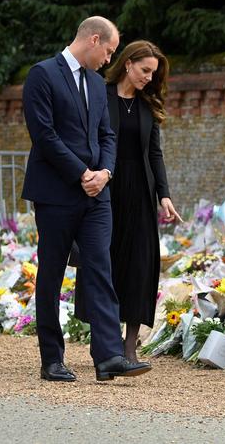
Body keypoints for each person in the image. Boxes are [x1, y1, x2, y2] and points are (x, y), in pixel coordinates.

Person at [22, 16, 151, 382]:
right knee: (51, 273)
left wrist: (105, 173)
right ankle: (52, 359)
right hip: (56, 193)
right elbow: (44, 136)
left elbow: (107, 135)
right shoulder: (42, 75)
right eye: (108, 51)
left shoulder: (96, 84)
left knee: (100, 269)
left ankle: (108, 356)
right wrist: (81, 174)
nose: (109, 60)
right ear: (94, 40)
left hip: (97, 194)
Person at [74, 40, 181, 363]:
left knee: (140, 266)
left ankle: (130, 346)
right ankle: (102, 344)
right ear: (128, 64)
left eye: (154, 73)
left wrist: (164, 194)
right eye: (145, 70)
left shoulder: (148, 105)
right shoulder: (99, 95)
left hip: (141, 196)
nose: (149, 77)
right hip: (105, 192)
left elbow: (154, 153)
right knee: (103, 264)